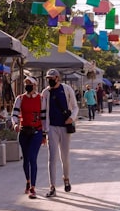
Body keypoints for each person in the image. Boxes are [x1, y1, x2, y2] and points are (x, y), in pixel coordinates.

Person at [41, 68, 78, 197]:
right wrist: (43, 131)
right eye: (48, 79)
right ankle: (52, 186)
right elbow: (43, 113)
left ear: (57, 78)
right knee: (52, 157)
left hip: (65, 126)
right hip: (52, 127)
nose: (49, 80)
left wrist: (71, 118)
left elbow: (75, 106)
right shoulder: (46, 93)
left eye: (52, 78)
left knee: (65, 156)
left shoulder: (67, 89)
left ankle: (66, 178)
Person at [11, 75, 44, 199]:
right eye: (26, 83)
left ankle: (33, 188)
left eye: (30, 83)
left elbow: (44, 116)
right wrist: (15, 124)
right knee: (26, 159)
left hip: (36, 131)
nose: (27, 85)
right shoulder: (20, 98)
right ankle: (28, 181)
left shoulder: (41, 99)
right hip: (24, 132)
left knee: (32, 158)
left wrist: (45, 133)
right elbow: (14, 114)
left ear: (35, 85)